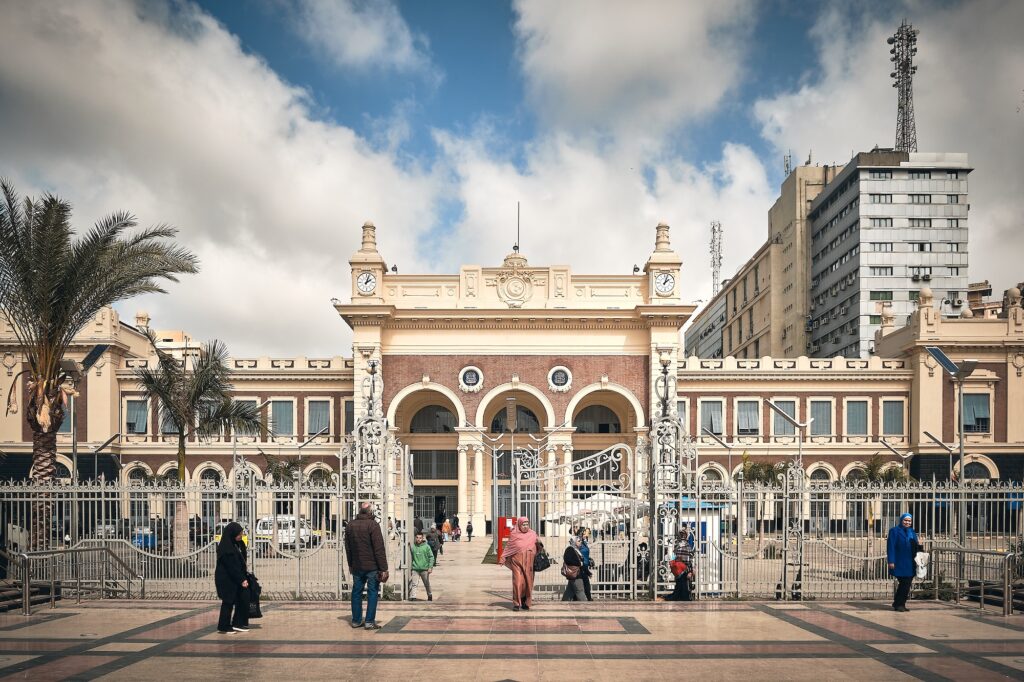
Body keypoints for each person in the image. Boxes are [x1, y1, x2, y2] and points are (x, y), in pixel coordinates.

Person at [344, 501, 389, 629]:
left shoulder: (350, 525)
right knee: (372, 592)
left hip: (357, 566)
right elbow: (379, 548)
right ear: (370, 511)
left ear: (360, 510)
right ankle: (369, 621)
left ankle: (356, 620)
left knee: (356, 592)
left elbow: (348, 547)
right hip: (372, 567)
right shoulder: (373, 525)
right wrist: (384, 568)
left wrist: (350, 564)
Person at [214, 521, 250, 634]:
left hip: (236, 577)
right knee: (228, 602)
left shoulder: (236, 544)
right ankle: (223, 626)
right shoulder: (226, 549)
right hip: (226, 579)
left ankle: (237, 623)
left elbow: (241, 560)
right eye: (239, 534)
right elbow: (231, 567)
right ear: (232, 534)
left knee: (241, 599)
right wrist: (241, 579)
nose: (241, 536)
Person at [499, 517, 541, 611]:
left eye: (527, 524)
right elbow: (509, 547)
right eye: (523, 525)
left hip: (529, 562)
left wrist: (539, 544)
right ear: (519, 525)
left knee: (528, 582)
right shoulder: (514, 534)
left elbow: (539, 546)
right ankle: (516, 603)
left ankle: (526, 602)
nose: (525, 526)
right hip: (516, 561)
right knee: (517, 582)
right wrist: (503, 557)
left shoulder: (533, 534)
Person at [887, 512, 919, 612]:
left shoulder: (912, 532)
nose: (907, 522)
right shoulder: (894, 531)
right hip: (899, 562)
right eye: (905, 520)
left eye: (909, 521)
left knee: (906, 584)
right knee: (904, 583)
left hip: (910, 562)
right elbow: (891, 546)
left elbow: (916, 545)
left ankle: (900, 603)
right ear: (901, 520)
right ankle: (899, 604)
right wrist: (891, 561)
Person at [409, 531, 434, 601]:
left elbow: (431, 557)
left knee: (426, 583)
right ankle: (413, 596)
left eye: (420, 538)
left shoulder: (426, 547)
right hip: (415, 568)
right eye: (417, 538)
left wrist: (430, 567)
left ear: (422, 538)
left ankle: (429, 594)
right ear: (415, 538)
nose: (418, 539)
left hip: (424, 569)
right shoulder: (413, 547)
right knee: (414, 583)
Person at [561, 537, 587, 601]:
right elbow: (567, 560)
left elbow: (581, 562)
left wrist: (587, 572)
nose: (580, 542)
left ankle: (563, 604)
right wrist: (579, 563)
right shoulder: (570, 549)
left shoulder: (576, 550)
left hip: (576, 573)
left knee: (569, 592)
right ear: (574, 542)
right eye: (578, 541)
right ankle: (585, 605)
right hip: (575, 574)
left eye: (580, 541)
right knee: (580, 591)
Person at [578, 531, 594, 601]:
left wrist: (589, 559)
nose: (586, 534)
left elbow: (585, 553)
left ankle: (576, 598)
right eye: (584, 533)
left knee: (579, 583)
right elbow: (579, 554)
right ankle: (589, 598)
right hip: (582, 566)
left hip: (585, 564)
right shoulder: (579, 543)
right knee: (586, 583)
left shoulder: (584, 542)